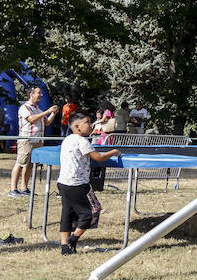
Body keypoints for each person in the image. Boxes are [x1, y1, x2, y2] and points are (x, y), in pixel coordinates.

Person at [56, 110, 120, 255]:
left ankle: (64, 247)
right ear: (77, 127)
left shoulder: (67, 139)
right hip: (76, 184)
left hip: (63, 182)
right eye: (87, 123)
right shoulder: (82, 141)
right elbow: (98, 157)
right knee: (87, 215)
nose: (91, 125)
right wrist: (113, 152)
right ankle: (73, 239)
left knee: (67, 213)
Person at [9, 86, 58, 198]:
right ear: (31, 94)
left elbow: (47, 123)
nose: (41, 95)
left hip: (38, 140)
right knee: (20, 163)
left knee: (30, 165)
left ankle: (24, 188)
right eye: (38, 93)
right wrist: (48, 111)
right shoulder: (24, 108)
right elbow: (31, 119)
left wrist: (53, 113)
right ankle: (13, 189)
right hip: (26, 140)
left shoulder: (38, 109)